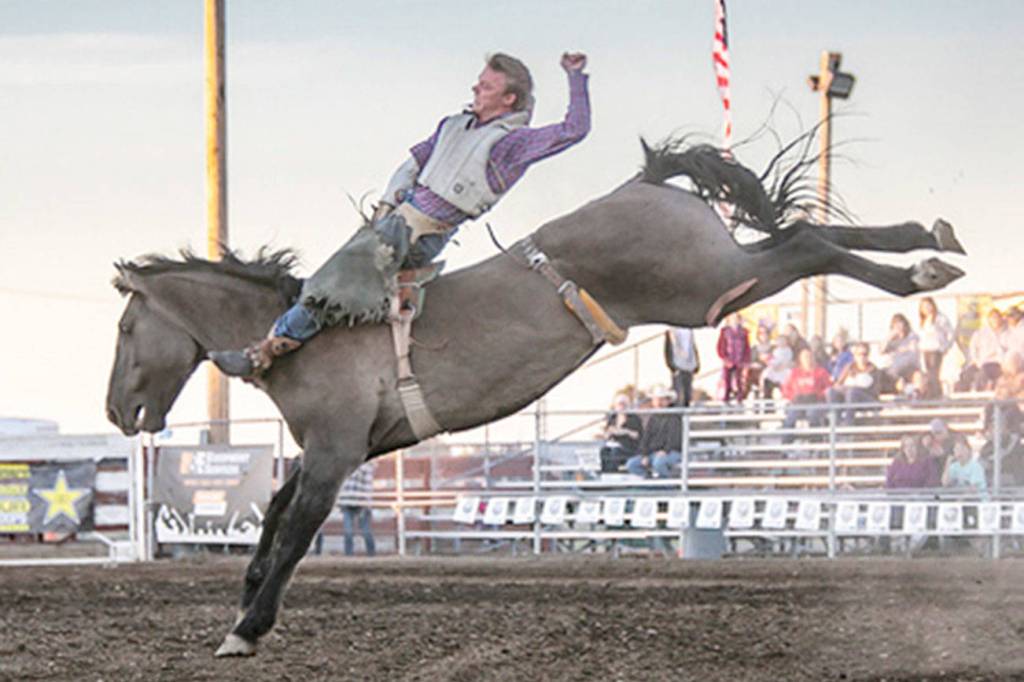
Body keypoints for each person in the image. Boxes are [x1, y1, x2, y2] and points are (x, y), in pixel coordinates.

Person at [211, 52, 591, 377]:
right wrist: (386, 206)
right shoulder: (453, 125)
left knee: (337, 281)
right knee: (333, 275)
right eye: (478, 82)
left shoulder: (511, 144)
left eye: (486, 86)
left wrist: (575, 77)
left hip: (421, 233)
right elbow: (414, 163)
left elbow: (574, 130)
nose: (475, 89)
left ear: (508, 99)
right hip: (393, 220)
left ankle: (264, 353)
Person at [625, 385, 682, 478]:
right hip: (654, 453)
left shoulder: (674, 417)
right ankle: (650, 481)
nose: (658, 402)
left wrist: (665, 451)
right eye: (656, 399)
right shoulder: (653, 418)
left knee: (658, 463)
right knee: (631, 464)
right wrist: (644, 455)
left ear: (668, 401)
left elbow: (675, 439)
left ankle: (667, 483)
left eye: (662, 399)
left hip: (672, 452)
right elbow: (646, 438)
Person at [780, 348, 832, 443]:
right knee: (790, 417)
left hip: (815, 401)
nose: (808, 359)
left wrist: (818, 395)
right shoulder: (795, 373)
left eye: (809, 356)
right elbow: (786, 389)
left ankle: (815, 443)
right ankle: (786, 444)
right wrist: (793, 397)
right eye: (805, 357)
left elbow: (828, 388)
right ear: (800, 359)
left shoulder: (821, 372)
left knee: (813, 415)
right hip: (798, 402)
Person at [826, 342, 881, 425]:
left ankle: (848, 423)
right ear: (855, 356)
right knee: (831, 391)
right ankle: (835, 422)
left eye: (865, 354)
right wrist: (845, 387)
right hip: (848, 398)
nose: (862, 357)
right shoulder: (849, 367)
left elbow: (874, 392)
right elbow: (838, 384)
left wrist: (854, 387)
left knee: (853, 391)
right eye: (859, 354)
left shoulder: (873, 370)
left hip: (867, 399)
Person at [960, 308, 1009, 391]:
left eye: (997, 317)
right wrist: (977, 361)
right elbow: (973, 348)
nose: (995, 320)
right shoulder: (980, 333)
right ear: (989, 319)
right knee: (966, 374)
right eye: (993, 318)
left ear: (1001, 318)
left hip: (999, 363)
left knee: (983, 373)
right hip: (982, 362)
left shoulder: (1007, 332)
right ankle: (961, 396)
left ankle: (981, 393)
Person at [916, 296, 954, 399]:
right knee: (928, 373)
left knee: (934, 373)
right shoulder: (923, 320)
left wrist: (946, 346)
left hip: (936, 349)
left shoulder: (940, 318)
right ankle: (931, 393)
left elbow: (950, 333)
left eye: (928, 306)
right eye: (924, 307)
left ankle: (936, 394)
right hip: (925, 349)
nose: (926, 309)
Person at [338, 461, 377, 556]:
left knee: (364, 530)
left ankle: (370, 554)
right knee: (349, 531)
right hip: (348, 501)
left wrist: (367, 504)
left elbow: (368, 486)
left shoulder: (365, 466)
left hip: (359, 502)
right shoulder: (347, 466)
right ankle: (350, 555)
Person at [599, 392, 643, 473]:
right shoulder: (613, 418)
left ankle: (613, 474)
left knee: (615, 452)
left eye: (624, 404)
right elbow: (605, 436)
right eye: (619, 404)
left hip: (629, 447)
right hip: (613, 445)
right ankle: (606, 474)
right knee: (604, 451)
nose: (621, 406)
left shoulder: (634, 418)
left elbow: (638, 435)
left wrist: (626, 431)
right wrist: (609, 432)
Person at [879, 313, 920, 394]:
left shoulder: (912, 336)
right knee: (894, 379)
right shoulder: (890, 338)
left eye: (900, 323)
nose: (898, 326)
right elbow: (881, 351)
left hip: (909, 368)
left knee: (918, 376)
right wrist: (889, 337)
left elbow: (913, 350)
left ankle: (916, 395)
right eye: (895, 324)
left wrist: (899, 349)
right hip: (893, 369)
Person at [716, 313, 750, 403]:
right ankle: (726, 395)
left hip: (739, 359)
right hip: (728, 358)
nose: (734, 320)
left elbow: (746, 346)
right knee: (727, 378)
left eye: (736, 319)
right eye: (732, 318)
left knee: (739, 379)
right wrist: (724, 357)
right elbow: (720, 345)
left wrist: (746, 359)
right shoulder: (725, 331)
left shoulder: (744, 332)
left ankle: (739, 396)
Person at [664, 327, 700, 407]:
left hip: (689, 366)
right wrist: (671, 366)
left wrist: (697, 363)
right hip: (678, 366)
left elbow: (692, 345)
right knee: (679, 395)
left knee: (688, 395)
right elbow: (668, 348)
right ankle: (678, 412)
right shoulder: (672, 330)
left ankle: (685, 411)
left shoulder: (689, 330)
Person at [761, 334, 794, 401]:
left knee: (788, 374)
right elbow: (773, 358)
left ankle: (785, 393)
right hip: (775, 366)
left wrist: (781, 366)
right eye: (779, 341)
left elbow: (787, 359)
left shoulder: (788, 350)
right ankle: (766, 394)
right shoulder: (776, 350)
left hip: (784, 367)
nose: (781, 342)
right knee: (766, 373)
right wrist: (772, 363)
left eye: (783, 341)